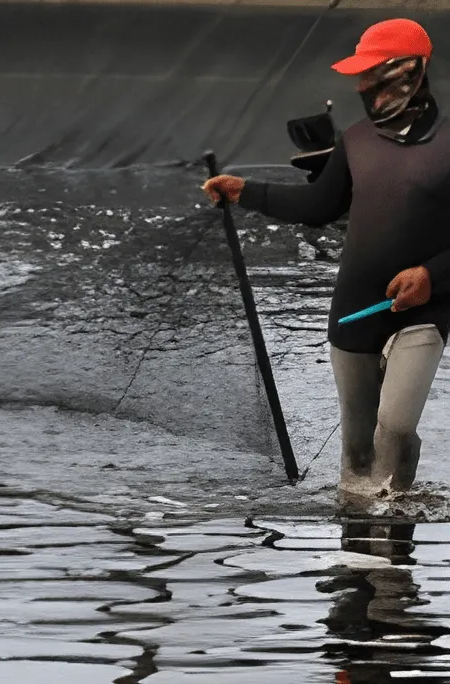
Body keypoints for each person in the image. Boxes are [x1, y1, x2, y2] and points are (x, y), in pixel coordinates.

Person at [203, 18, 450, 501]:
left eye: (370, 73)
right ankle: (359, 550)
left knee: (395, 425)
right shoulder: (355, 141)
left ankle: (394, 530)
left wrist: (430, 275)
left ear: (407, 72)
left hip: (423, 310)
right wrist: (244, 191)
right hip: (354, 311)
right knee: (358, 453)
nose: (359, 85)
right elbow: (318, 206)